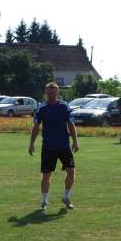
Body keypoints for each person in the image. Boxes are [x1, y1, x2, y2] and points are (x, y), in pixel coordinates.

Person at [29, 82, 79, 210]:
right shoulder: (42, 108)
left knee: (71, 171)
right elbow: (36, 127)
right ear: (46, 93)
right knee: (46, 175)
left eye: (53, 93)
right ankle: (44, 200)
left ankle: (66, 197)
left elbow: (71, 124)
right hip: (48, 147)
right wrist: (31, 143)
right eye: (48, 93)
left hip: (64, 146)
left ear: (57, 93)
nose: (51, 95)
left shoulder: (64, 106)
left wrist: (75, 141)